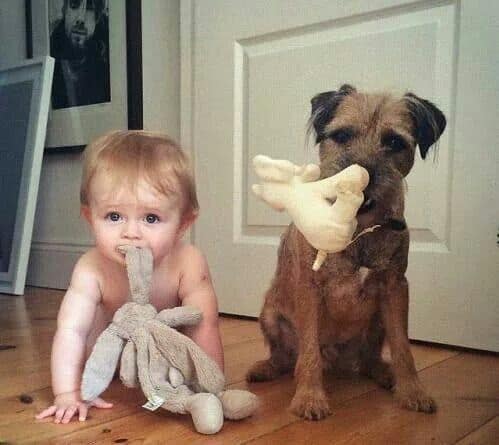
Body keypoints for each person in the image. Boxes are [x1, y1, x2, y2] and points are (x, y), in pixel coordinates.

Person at [36, 131, 224, 424]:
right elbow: (71, 330)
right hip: (110, 350)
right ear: (90, 217)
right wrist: (67, 393)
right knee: (90, 332)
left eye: (151, 218)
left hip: (164, 350)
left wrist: (212, 386)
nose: (131, 233)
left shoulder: (189, 262)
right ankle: (101, 374)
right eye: (113, 216)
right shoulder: (91, 268)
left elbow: (205, 323)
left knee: (191, 326)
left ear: (183, 224)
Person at [50, 0, 110, 109]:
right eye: (74, 4)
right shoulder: (48, 58)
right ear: (64, 10)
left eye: (90, 8)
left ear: (98, 17)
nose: (80, 19)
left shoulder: (110, 66)